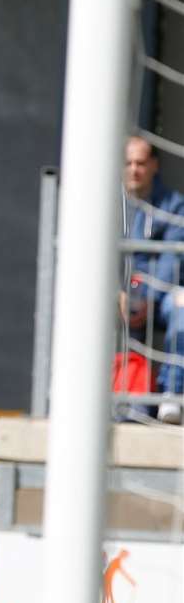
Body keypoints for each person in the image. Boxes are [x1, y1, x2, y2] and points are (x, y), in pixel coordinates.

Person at [122, 135, 184, 424]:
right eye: (128, 162)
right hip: (118, 297)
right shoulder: (105, 206)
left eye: (141, 163)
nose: (134, 169)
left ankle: (171, 394)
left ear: (154, 165)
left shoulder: (173, 205)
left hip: (159, 298)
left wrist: (149, 297)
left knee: (182, 304)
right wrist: (117, 294)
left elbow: (172, 260)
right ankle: (122, 403)